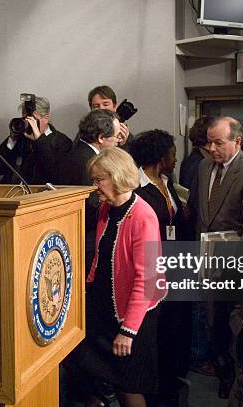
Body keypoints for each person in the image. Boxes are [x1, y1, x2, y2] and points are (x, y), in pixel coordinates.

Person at [65, 147, 166, 407]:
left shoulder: (144, 216)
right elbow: (100, 258)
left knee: (128, 384)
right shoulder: (106, 209)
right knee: (81, 364)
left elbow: (148, 280)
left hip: (134, 316)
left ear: (117, 176)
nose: (95, 186)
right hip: (104, 309)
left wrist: (128, 331)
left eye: (99, 179)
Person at [197, 116, 243, 399]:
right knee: (212, 324)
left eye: (218, 142)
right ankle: (223, 373)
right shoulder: (203, 166)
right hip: (206, 262)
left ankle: (237, 382)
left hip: (234, 266)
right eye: (209, 141)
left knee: (234, 329)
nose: (211, 148)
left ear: (237, 142)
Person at [130, 130, 192, 403]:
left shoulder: (168, 182)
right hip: (153, 266)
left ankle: (171, 377)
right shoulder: (137, 187)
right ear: (160, 155)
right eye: (172, 152)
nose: (176, 157)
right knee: (157, 328)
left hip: (175, 265)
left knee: (174, 327)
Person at [60, 109, 121, 275]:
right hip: (85, 240)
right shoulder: (88, 162)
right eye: (116, 137)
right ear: (101, 138)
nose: (118, 141)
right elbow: (92, 204)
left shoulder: (78, 153)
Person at [0, 96, 71, 184]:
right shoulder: (20, 138)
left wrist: (39, 140)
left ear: (46, 118)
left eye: (32, 119)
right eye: (25, 119)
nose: (28, 123)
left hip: (41, 195)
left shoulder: (61, 142)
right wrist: (11, 140)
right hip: (12, 193)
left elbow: (57, 176)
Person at [88, 85, 133, 149]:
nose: (101, 108)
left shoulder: (124, 133)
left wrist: (122, 144)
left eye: (106, 104)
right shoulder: (86, 131)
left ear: (114, 106)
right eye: (96, 106)